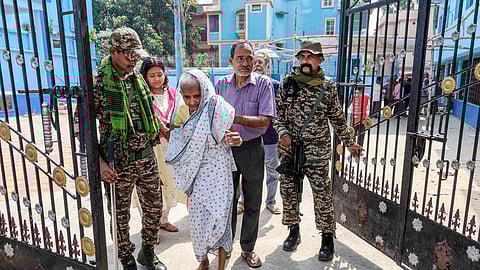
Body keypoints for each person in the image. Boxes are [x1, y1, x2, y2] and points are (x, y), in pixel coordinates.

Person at [274, 40, 363, 262]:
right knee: (289, 193)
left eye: (310, 56)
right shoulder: (287, 84)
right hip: (290, 151)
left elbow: (338, 119)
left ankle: (327, 237)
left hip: (318, 151)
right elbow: (278, 117)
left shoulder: (327, 87)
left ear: (319, 60)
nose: (305, 60)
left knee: (322, 195)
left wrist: (350, 142)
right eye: (302, 56)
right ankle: (293, 231)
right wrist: (283, 134)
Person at [95, 27, 166, 270]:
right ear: (114, 51)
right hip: (118, 164)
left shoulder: (137, 78)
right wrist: (99, 163)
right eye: (129, 55)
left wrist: (161, 127)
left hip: (146, 158)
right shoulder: (100, 84)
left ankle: (148, 252)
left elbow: (147, 114)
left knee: (155, 208)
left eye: (136, 55)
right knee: (120, 218)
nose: (134, 60)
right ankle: (126, 260)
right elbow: (80, 126)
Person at [166, 69, 242, 270]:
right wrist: (167, 132)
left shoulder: (218, 107)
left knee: (221, 219)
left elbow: (230, 135)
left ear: (205, 90)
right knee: (198, 221)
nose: (192, 101)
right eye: (187, 96)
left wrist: (236, 139)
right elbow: (178, 139)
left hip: (219, 173)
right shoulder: (181, 112)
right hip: (196, 174)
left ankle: (220, 266)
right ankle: (204, 261)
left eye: (197, 96)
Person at [215, 40, 276, 268]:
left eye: (249, 57)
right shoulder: (220, 85)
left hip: (251, 149)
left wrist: (235, 118)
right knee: (226, 202)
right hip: (224, 150)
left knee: (252, 201)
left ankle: (248, 248)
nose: (245, 62)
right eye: (240, 58)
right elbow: (213, 117)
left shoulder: (263, 84)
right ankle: (226, 246)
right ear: (231, 60)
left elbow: (264, 121)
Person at [140, 57, 187, 236]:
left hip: (171, 145)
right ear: (145, 77)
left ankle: (164, 220)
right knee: (152, 186)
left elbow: (183, 114)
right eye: (152, 75)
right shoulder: (142, 97)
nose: (157, 78)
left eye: (160, 74)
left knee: (169, 183)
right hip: (152, 148)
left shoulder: (174, 94)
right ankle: (151, 229)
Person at [237, 51, 281, 216]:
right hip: (247, 137)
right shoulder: (243, 85)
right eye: (254, 61)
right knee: (246, 172)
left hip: (270, 137)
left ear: (267, 66)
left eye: (261, 62)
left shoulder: (275, 85)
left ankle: (270, 201)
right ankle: (242, 202)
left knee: (272, 171)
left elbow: (282, 111)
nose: (257, 65)